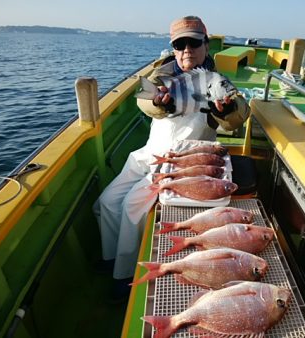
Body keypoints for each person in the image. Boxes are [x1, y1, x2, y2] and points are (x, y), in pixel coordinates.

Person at [93, 15, 250, 301]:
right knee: (106, 202)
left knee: (131, 208)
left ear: (206, 45)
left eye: (194, 42)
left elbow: (237, 114)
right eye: (180, 44)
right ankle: (110, 258)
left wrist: (226, 111)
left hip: (183, 161)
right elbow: (143, 98)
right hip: (147, 154)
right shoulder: (161, 75)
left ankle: (125, 275)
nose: (187, 49)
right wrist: (155, 102)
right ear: (173, 48)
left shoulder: (216, 81)